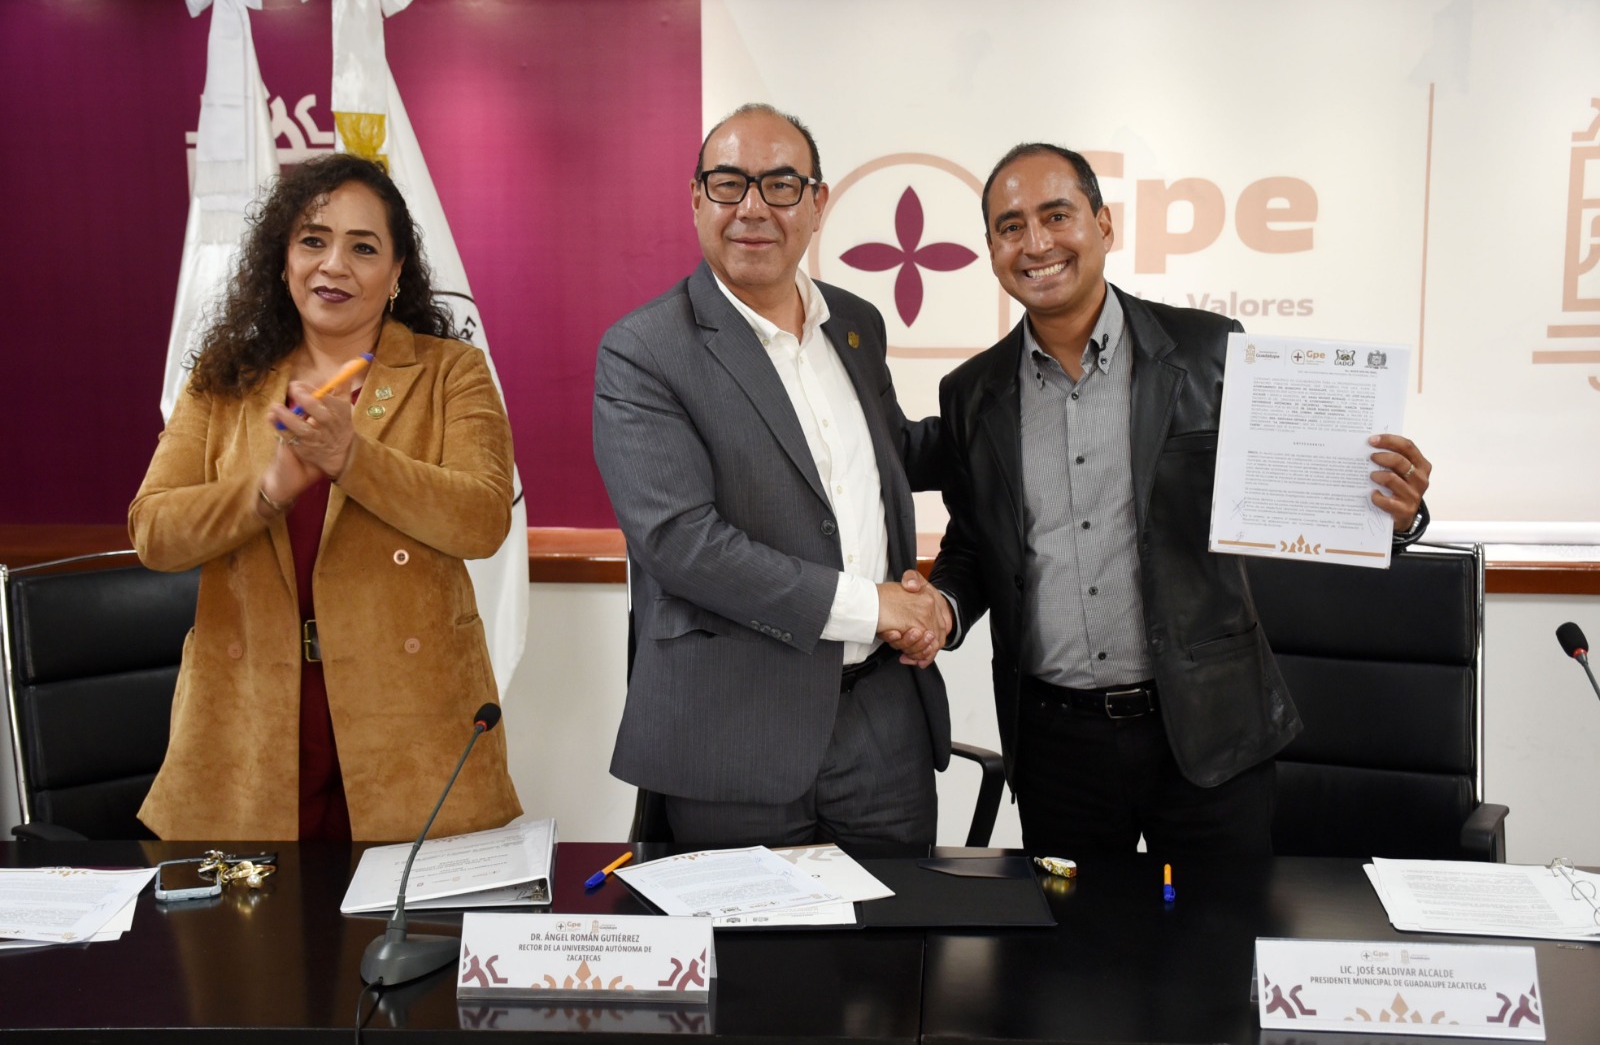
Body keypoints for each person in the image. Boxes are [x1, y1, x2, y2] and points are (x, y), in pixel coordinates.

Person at [927, 143, 1433, 858]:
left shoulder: (1210, 351)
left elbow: (1298, 483)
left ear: (1104, 225)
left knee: (1221, 928)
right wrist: (942, 607)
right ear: (991, 250)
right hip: (1055, 746)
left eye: (1057, 215)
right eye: (1011, 227)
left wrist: (1390, 512)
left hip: (1206, 729)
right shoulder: (971, 394)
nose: (1035, 243)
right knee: (1075, 934)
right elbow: (976, 542)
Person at [130, 153, 522, 842]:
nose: (333, 265)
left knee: (406, 912)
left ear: (397, 273)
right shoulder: (224, 379)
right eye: (313, 240)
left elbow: (482, 519)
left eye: (363, 248)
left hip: (410, 724)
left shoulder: (450, 372)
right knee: (253, 915)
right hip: (249, 721)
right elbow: (154, 533)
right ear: (283, 260)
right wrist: (266, 492)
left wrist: (352, 460)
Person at [592, 104, 952, 846]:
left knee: (900, 922)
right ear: (696, 199)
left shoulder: (854, 323)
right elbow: (681, 543)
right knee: (751, 930)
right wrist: (873, 606)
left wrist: (1010, 408)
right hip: (734, 734)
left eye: (781, 185)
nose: (753, 208)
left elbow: (883, 458)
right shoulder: (644, 350)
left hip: (884, 726)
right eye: (728, 184)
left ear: (817, 203)